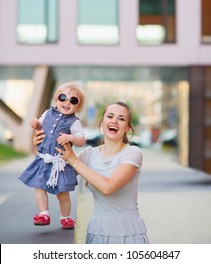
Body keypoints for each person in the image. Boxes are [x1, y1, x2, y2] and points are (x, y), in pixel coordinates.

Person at [34, 101, 149, 244]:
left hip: (129, 233)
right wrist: (40, 148)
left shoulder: (133, 153)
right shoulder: (89, 154)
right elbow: (53, 173)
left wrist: (74, 161)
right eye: (110, 116)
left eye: (121, 118)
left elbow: (108, 187)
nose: (114, 121)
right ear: (102, 122)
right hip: (97, 233)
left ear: (127, 127)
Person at [19, 82, 86, 230]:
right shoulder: (47, 113)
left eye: (73, 100)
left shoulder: (74, 122)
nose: (67, 102)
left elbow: (81, 140)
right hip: (43, 160)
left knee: (63, 193)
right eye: (63, 97)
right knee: (39, 187)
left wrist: (71, 138)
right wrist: (36, 125)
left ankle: (66, 218)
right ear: (56, 100)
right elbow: (40, 127)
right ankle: (44, 214)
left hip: (60, 163)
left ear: (78, 106)